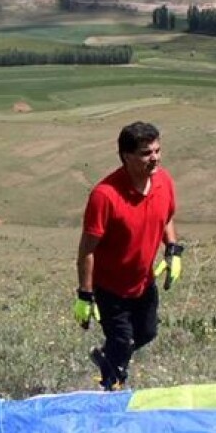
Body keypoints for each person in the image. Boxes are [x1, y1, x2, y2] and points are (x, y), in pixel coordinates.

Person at [74, 121, 182, 390]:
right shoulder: (105, 196)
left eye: (157, 150)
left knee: (146, 333)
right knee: (122, 341)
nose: (154, 158)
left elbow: (166, 216)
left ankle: (107, 360)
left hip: (143, 282)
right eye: (146, 153)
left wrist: (172, 250)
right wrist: (85, 295)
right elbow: (87, 249)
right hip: (110, 288)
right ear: (126, 156)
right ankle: (112, 387)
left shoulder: (164, 182)